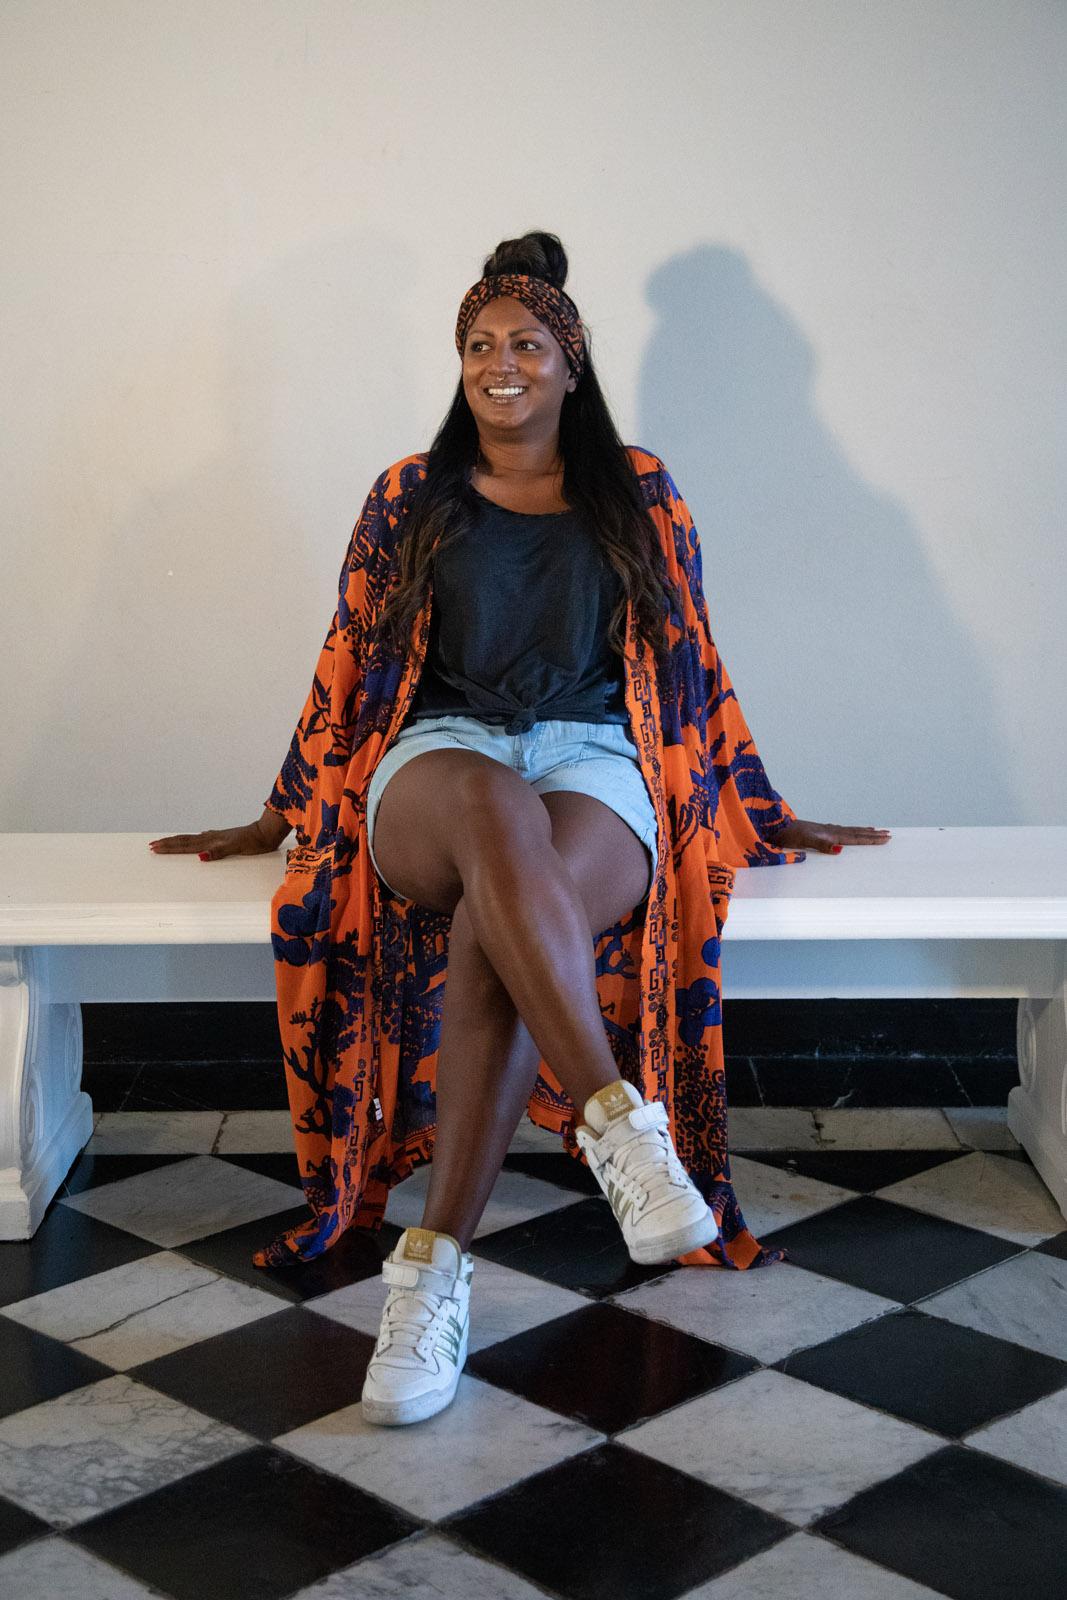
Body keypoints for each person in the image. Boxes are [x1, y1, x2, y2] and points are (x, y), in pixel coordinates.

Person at [149, 231, 890, 1427]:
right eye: (480, 346)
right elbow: (347, 662)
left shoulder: (637, 489)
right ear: (460, 366)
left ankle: (426, 1279)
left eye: (526, 345)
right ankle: (620, 1128)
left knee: (498, 922)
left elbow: (691, 660)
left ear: (569, 364)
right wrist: (280, 808)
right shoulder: (409, 494)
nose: (502, 364)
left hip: (595, 760)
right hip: (436, 762)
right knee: (494, 817)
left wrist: (756, 802)